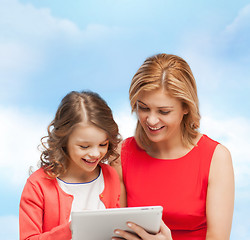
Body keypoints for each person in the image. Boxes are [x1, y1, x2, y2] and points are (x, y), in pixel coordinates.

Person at [111, 53, 234, 240]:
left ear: (186, 108)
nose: (151, 120)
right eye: (143, 108)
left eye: (164, 111)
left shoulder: (216, 158)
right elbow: (114, 230)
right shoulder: (122, 154)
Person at [19, 90, 122, 240]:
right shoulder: (37, 185)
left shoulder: (109, 175)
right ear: (64, 141)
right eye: (84, 146)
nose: (95, 153)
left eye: (102, 144)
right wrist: (72, 229)